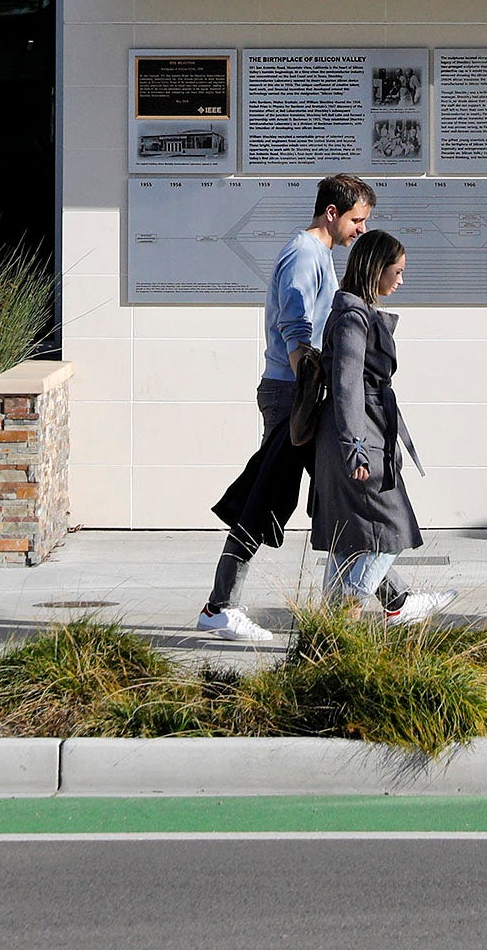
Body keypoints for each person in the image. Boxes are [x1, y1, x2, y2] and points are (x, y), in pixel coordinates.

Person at [196, 172, 372, 644]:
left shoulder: (317, 254)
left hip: (298, 393)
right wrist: (310, 388)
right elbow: (295, 328)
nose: (360, 230)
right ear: (331, 213)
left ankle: (393, 599)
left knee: (335, 494)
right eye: (356, 220)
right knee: (270, 498)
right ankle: (219, 606)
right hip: (292, 395)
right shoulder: (304, 254)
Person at [311, 228, 455, 624]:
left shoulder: (351, 312)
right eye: (397, 271)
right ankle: (348, 609)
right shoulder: (353, 318)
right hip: (361, 433)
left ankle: (332, 626)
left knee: (350, 534)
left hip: (361, 431)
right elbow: (346, 386)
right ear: (376, 270)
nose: (401, 280)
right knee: (392, 527)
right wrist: (354, 446)